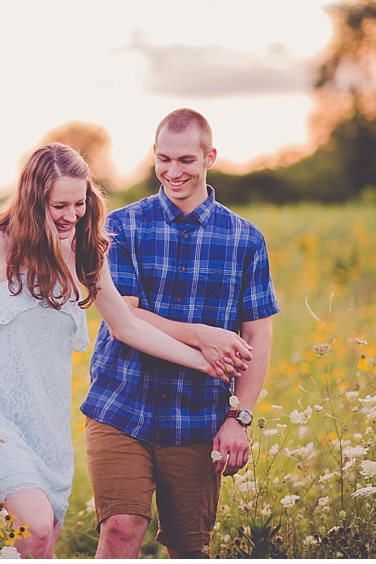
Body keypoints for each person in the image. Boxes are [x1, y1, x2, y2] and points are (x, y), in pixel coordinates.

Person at [0, 143, 251, 559]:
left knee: (42, 542)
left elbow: (127, 325)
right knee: (37, 525)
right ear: (33, 200)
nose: (71, 215)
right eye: (58, 205)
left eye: (79, 204)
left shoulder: (85, 251)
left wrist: (205, 362)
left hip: (46, 423)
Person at [80, 108, 279, 558]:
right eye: (164, 159)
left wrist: (239, 418)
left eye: (186, 160)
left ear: (210, 156)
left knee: (190, 547)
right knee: (121, 529)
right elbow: (124, 316)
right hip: (122, 405)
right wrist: (202, 335)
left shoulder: (245, 240)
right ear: (154, 155)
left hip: (197, 417)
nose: (173, 171)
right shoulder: (120, 227)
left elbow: (258, 337)